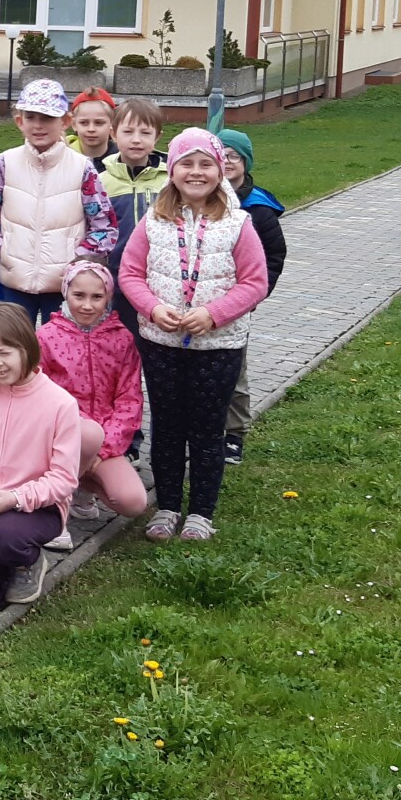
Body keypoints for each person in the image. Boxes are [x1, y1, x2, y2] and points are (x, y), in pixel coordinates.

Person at [119, 128, 271, 543]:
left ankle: (201, 512)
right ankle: (167, 506)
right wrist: (152, 308)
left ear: (220, 170)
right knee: (167, 426)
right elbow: (130, 273)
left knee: (206, 429)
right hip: (161, 343)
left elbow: (255, 282)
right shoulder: (153, 220)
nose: (196, 172)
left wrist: (213, 314)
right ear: (172, 170)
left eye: (206, 164)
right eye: (186, 163)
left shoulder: (238, 223)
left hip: (218, 347)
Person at [0, 302, 83, 611]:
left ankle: (28, 562)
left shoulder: (60, 404)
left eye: (5, 352)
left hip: (37, 507)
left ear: (26, 347)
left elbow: (63, 479)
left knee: (5, 537)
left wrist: (13, 499)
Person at [0, 79, 117, 325]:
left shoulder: (82, 168)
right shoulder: (5, 163)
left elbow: (104, 226)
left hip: (64, 287)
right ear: (20, 121)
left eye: (48, 118)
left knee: (61, 347)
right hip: (14, 282)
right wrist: (3, 251)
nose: (38, 125)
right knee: (16, 344)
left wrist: (76, 261)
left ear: (65, 121)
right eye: (31, 117)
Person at [36, 260, 149, 552]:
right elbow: (39, 394)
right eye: (79, 295)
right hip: (58, 438)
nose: (87, 305)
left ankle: (81, 489)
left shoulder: (122, 338)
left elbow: (129, 398)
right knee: (86, 433)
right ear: (65, 293)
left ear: (108, 297)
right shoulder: (46, 336)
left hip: (105, 441)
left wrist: (105, 447)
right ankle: (52, 511)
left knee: (133, 502)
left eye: (97, 297)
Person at [217, 127, 286, 466]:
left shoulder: (259, 209)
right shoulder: (199, 198)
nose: (228, 161)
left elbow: (274, 257)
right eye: (222, 155)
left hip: (238, 303)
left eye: (235, 156)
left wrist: (254, 295)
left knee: (234, 371)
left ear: (246, 162)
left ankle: (234, 433)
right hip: (198, 301)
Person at [101, 98, 169, 338]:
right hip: (114, 283)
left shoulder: (170, 181)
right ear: (113, 134)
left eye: (145, 132)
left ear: (157, 137)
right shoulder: (101, 182)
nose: (136, 139)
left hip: (159, 283)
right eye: (128, 132)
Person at [65, 87, 118, 165]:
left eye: (99, 123)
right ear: (74, 124)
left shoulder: (122, 159)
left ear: (112, 123)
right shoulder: (63, 156)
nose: (91, 129)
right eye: (84, 123)